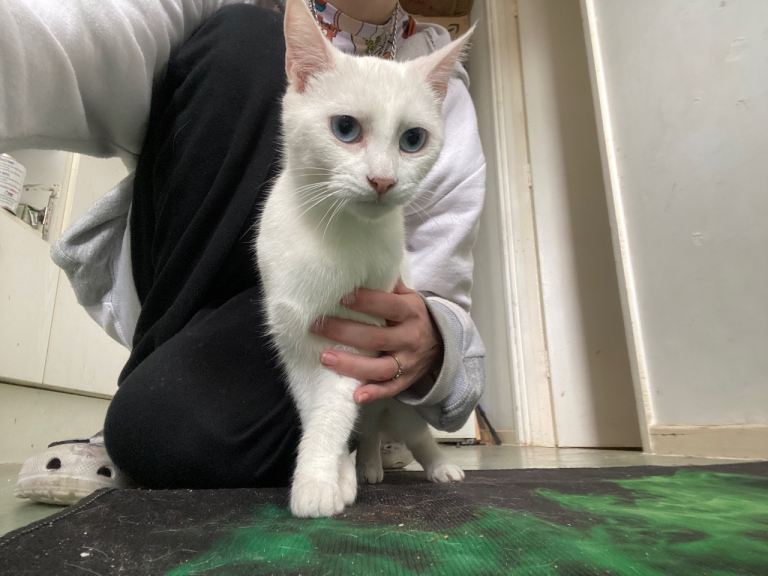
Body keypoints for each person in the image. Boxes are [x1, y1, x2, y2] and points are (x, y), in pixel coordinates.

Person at [2, 0, 486, 504]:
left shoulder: (441, 87)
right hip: (198, 291)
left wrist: (435, 338)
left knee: (160, 436)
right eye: (348, 129)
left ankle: (352, 431)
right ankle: (161, 367)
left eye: (411, 140)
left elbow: (445, 301)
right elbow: (81, 36)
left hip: (332, 332)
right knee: (245, 37)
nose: (383, 176)